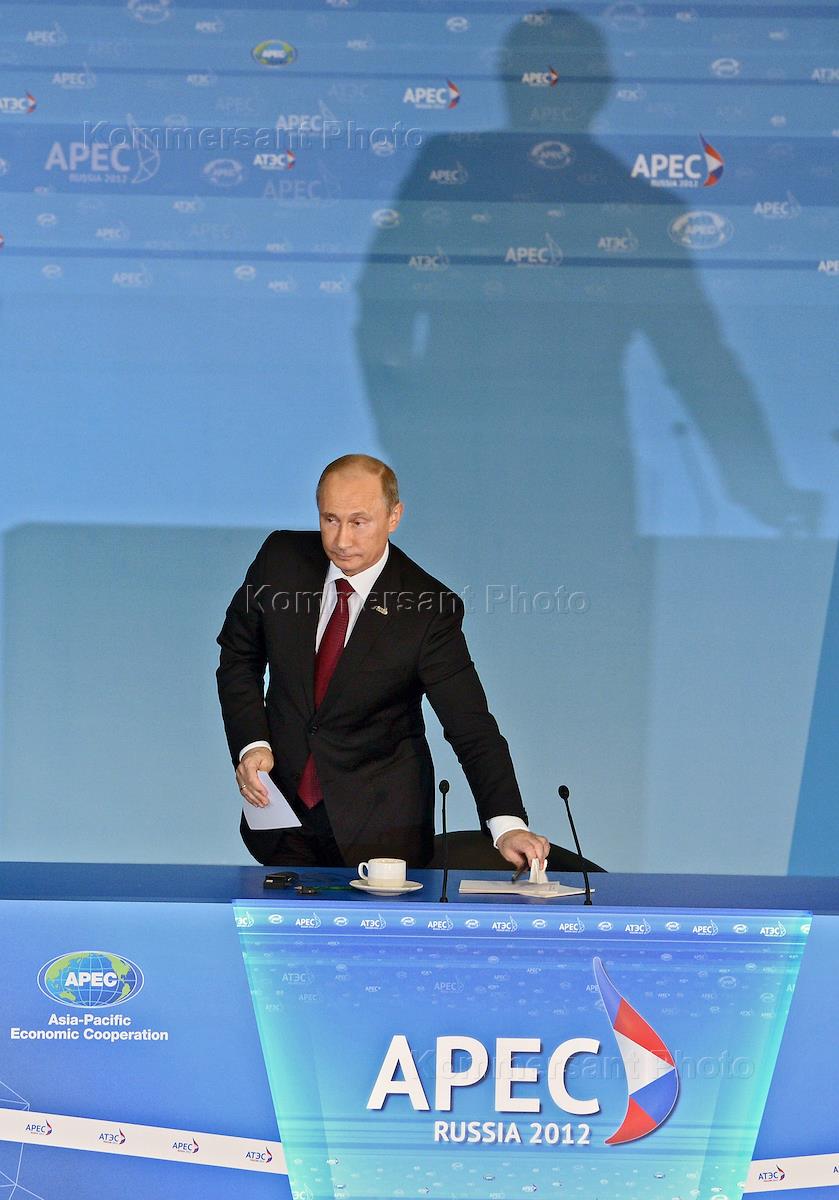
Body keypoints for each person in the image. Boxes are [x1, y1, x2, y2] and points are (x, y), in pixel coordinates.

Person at [217, 454, 550, 870]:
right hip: (282, 816)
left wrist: (507, 824)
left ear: (394, 516)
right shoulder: (279, 559)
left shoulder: (429, 608)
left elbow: (470, 726)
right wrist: (253, 743)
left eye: (359, 522)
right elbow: (238, 656)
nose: (342, 540)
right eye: (330, 519)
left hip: (382, 827)